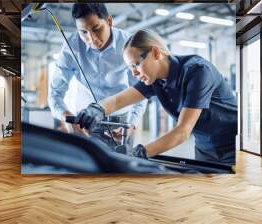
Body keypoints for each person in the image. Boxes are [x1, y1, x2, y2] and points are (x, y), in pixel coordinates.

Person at [76, 29, 238, 165]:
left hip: (232, 145)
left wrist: (138, 152)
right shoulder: (155, 79)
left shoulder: (198, 71)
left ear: (155, 52)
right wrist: (97, 109)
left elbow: (182, 131)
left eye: (136, 64)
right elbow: (118, 100)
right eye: (130, 68)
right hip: (204, 148)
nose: (134, 72)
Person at [48, 3, 146, 145]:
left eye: (97, 29)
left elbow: (140, 92)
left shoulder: (129, 44)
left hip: (121, 123)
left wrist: (131, 124)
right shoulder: (71, 46)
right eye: (83, 32)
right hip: (84, 122)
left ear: (109, 21)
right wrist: (66, 117)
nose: (92, 38)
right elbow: (55, 92)